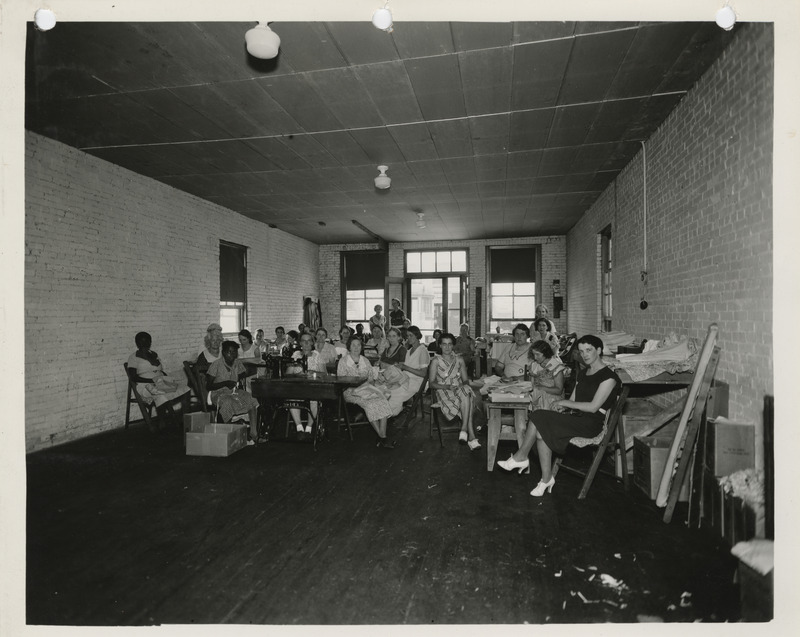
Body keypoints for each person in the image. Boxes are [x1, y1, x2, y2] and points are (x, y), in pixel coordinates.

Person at [497, 335, 620, 497]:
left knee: (538, 416)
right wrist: (563, 407)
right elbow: (573, 400)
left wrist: (564, 403)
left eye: (588, 350)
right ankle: (546, 479)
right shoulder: (583, 373)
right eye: (581, 351)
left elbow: (593, 407)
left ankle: (521, 457)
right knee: (541, 431)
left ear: (598, 350)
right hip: (576, 418)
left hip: (591, 424)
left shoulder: (609, 377)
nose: (584, 355)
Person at [338, 336, 396, 449]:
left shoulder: (365, 360)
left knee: (382, 400)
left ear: (361, 347)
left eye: (358, 345)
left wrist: (374, 380)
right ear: (349, 347)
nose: (356, 347)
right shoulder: (343, 361)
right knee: (370, 404)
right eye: (353, 345)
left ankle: (382, 437)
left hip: (366, 389)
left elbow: (371, 379)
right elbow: (341, 381)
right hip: (350, 391)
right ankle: (383, 437)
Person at [127, 331, 191, 431]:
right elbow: (133, 377)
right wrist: (151, 380)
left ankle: (185, 419)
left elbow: (159, 370)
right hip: (145, 385)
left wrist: (167, 378)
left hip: (160, 382)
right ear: (137, 343)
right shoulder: (133, 357)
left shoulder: (153, 354)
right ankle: (162, 422)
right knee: (160, 393)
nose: (144, 344)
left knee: (185, 389)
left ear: (150, 342)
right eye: (141, 342)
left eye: (147, 341)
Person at [429, 333, 479, 450]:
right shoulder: (436, 361)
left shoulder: (459, 360)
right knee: (468, 397)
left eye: (450, 344)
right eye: (444, 344)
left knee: (466, 390)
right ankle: (471, 435)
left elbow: (466, 381)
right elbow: (431, 384)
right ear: (440, 345)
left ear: (453, 346)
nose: (447, 347)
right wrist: (447, 387)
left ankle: (464, 430)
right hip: (443, 390)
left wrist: (460, 385)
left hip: (458, 388)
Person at [206, 341, 260, 443]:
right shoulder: (216, 365)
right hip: (218, 393)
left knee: (252, 399)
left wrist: (238, 377)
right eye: (229, 352)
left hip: (234, 391)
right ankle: (228, 434)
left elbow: (242, 373)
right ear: (223, 353)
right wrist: (225, 383)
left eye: (234, 352)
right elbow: (208, 386)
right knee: (227, 403)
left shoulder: (237, 363)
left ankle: (254, 433)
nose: (232, 355)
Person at [287, 332, 328, 439]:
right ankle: (299, 427)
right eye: (303, 341)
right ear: (300, 343)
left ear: (312, 343)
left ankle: (309, 428)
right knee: (292, 397)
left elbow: (324, 374)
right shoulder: (296, 355)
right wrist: (298, 374)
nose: (306, 343)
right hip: (298, 387)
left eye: (308, 340)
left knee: (314, 399)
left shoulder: (317, 355)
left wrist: (313, 372)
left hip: (314, 387)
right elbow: (288, 374)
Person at [386, 325, 430, 419]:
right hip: (405, 379)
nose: (408, 338)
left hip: (416, 382)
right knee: (387, 389)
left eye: (411, 335)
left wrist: (405, 367)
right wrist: (399, 367)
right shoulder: (409, 351)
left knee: (393, 394)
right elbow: (407, 367)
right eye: (407, 336)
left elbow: (423, 373)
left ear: (417, 336)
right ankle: (390, 413)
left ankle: (387, 414)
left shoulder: (422, 351)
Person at [527, 340, 566, 411]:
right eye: (533, 354)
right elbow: (532, 384)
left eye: (538, 354)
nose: (535, 357)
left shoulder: (556, 367)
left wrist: (541, 388)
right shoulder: (534, 365)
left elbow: (559, 390)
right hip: (537, 399)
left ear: (545, 353)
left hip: (553, 401)